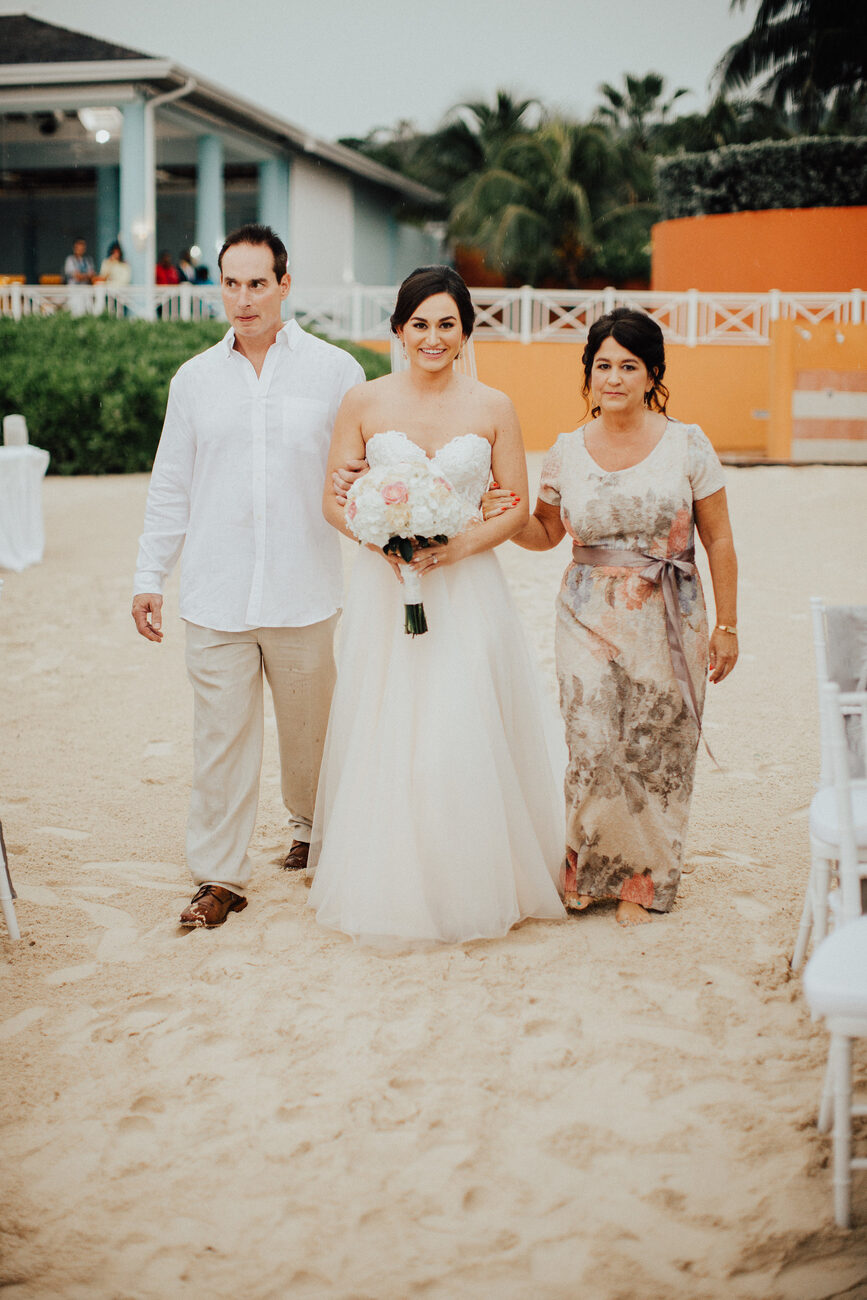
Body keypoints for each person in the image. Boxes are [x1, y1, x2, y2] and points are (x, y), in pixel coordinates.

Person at [307, 265, 566, 944]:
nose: (431, 336)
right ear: (397, 329)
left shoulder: (492, 407)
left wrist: (460, 546)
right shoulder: (363, 402)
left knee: (460, 722)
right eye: (418, 323)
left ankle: (476, 882)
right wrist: (377, 543)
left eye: (445, 323)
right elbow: (333, 502)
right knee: (387, 726)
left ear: (464, 331)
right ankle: (392, 880)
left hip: (467, 588)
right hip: (385, 589)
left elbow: (514, 507)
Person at [132, 223, 364, 929]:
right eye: (230, 284)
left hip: (304, 591)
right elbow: (171, 482)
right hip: (214, 593)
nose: (243, 298)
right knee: (220, 740)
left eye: (257, 283)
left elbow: (361, 472)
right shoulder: (194, 379)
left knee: (311, 735)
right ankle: (219, 877)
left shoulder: (335, 372)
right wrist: (150, 574)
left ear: (284, 285)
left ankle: (312, 828)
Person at [484, 307, 738, 926]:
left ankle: (643, 880)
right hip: (586, 615)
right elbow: (547, 532)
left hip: (670, 614)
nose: (615, 377)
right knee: (593, 743)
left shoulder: (688, 443)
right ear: (589, 375)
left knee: (656, 745)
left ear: (652, 374)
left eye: (629, 365)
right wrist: (505, 515)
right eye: (603, 365)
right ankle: (590, 873)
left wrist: (728, 625)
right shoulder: (566, 452)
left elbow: (720, 541)